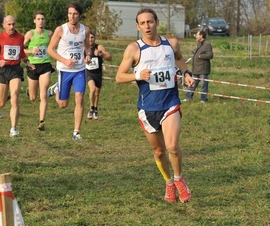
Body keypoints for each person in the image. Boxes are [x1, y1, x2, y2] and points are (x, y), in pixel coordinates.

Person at [115, 8, 194, 203]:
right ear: (137, 26)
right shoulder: (134, 49)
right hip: (147, 108)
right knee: (159, 151)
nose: (147, 26)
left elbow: (179, 58)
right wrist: (137, 75)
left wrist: (186, 73)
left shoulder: (171, 43)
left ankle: (179, 179)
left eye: (150, 22)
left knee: (172, 146)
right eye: (142, 23)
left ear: (157, 22)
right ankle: (168, 183)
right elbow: (119, 76)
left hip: (170, 103)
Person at [47, 1, 92, 140]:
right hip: (64, 70)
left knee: (79, 98)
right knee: (63, 104)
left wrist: (88, 55)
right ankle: (56, 89)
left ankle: (76, 132)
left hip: (79, 70)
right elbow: (50, 50)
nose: (72, 16)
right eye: (70, 14)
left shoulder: (85, 30)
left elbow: (88, 47)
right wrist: (64, 60)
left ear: (79, 15)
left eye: (75, 14)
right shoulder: (61, 30)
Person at [0, 15, 35, 137]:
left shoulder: (20, 37)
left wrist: (27, 62)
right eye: (9, 24)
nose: (11, 26)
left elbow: (21, 51)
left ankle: (13, 128)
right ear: (4, 25)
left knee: (15, 97)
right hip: (2, 70)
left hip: (15, 70)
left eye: (13, 24)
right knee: (1, 103)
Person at [24, 11, 54, 131]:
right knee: (33, 97)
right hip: (33, 66)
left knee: (43, 94)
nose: (41, 21)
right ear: (34, 21)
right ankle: (29, 90)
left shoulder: (49, 33)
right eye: (38, 19)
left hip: (45, 65)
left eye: (42, 19)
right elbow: (20, 48)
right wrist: (31, 52)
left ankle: (41, 121)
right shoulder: (30, 34)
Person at [85, 31, 112, 120]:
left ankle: (96, 109)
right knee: (92, 89)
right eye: (89, 37)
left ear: (95, 39)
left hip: (98, 73)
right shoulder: (84, 48)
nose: (90, 39)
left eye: (92, 37)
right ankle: (91, 108)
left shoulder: (99, 47)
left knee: (97, 93)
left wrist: (100, 54)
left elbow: (109, 57)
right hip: (89, 73)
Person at [184, 30, 213, 103]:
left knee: (204, 85)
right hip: (196, 69)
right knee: (192, 84)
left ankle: (203, 99)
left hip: (203, 69)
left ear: (201, 36)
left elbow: (210, 55)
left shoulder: (207, 44)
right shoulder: (199, 44)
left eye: (197, 35)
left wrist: (200, 56)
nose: (196, 36)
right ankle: (188, 97)